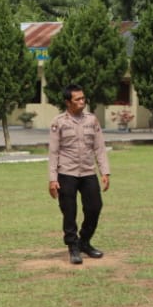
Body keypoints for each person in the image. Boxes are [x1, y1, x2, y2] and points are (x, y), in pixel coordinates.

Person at [48, 84, 111, 265]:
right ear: (68, 102)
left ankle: (84, 241)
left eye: (83, 98)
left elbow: (99, 147)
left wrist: (105, 171)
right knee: (69, 212)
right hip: (66, 173)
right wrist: (52, 179)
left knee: (94, 207)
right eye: (78, 99)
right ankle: (73, 247)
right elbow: (53, 152)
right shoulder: (58, 122)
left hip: (88, 172)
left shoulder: (92, 120)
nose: (82, 102)